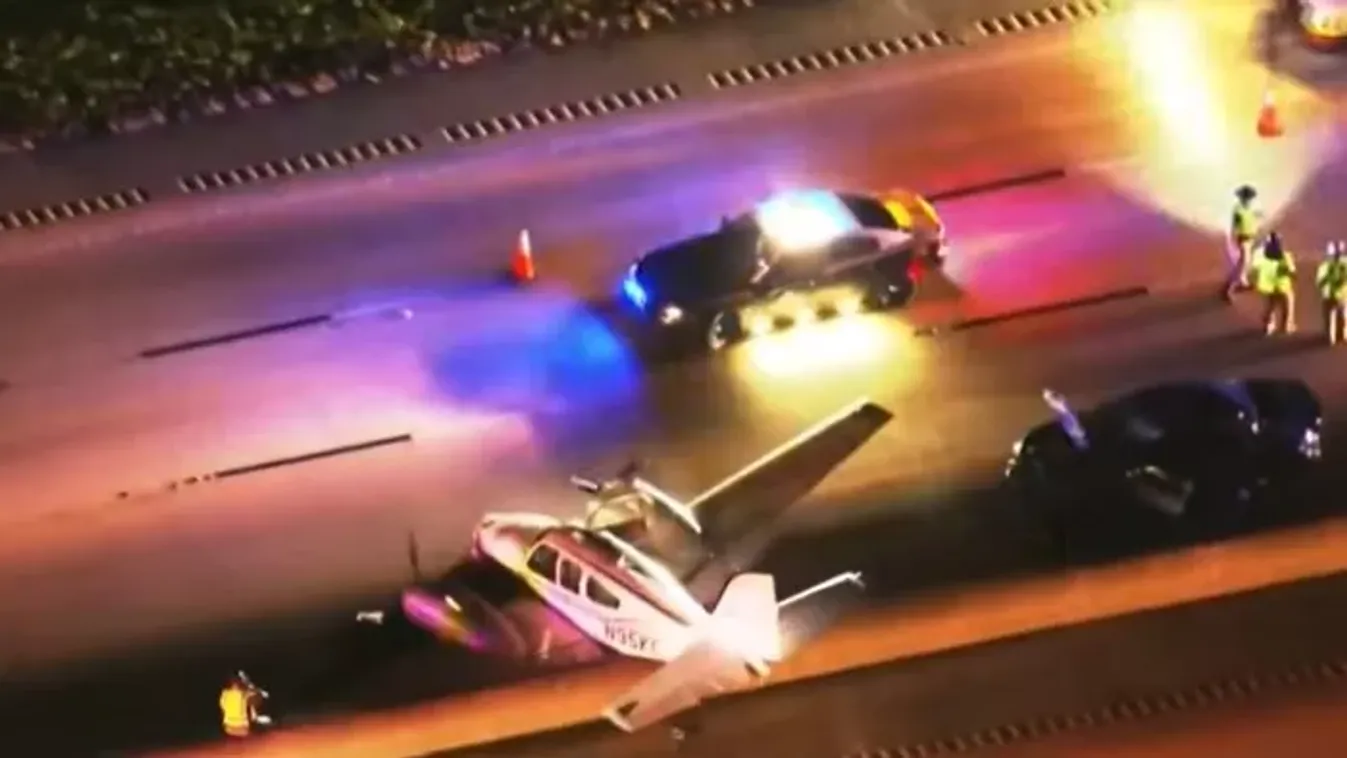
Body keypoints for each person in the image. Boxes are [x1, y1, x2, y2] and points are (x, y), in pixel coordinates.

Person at [1252, 231, 1297, 335]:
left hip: (1268, 286)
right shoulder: (1285, 256)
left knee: (1270, 306)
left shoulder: (1262, 256)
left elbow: (1255, 268)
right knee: (1288, 303)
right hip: (1283, 286)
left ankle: (1268, 325)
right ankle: (1286, 325)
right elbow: (1292, 271)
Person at [1225, 185, 1263, 300]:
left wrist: (1258, 217)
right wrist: (1233, 237)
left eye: (1249, 198)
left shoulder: (1251, 208)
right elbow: (1235, 225)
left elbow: (1255, 218)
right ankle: (1229, 288)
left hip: (1250, 237)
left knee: (1247, 261)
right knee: (1244, 262)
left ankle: (1243, 282)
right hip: (1243, 238)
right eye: (1246, 197)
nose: (1248, 200)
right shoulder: (1238, 210)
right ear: (1242, 198)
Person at [219, 671, 269, 738]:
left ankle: (256, 718)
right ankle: (257, 719)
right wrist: (247, 681)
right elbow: (256, 691)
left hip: (228, 728)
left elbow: (222, 707)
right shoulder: (243, 693)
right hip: (243, 729)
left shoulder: (225, 693)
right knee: (255, 698)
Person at [1317, 240, 1347, 345]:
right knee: (1341, 317)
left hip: (1331, 295)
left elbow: (1320, 281)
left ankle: (1332, 336)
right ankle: (1339, 336)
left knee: (1332, 318)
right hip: (1340, 295)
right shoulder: (1343, 263)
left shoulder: (1326, 265)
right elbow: (1320, 280)